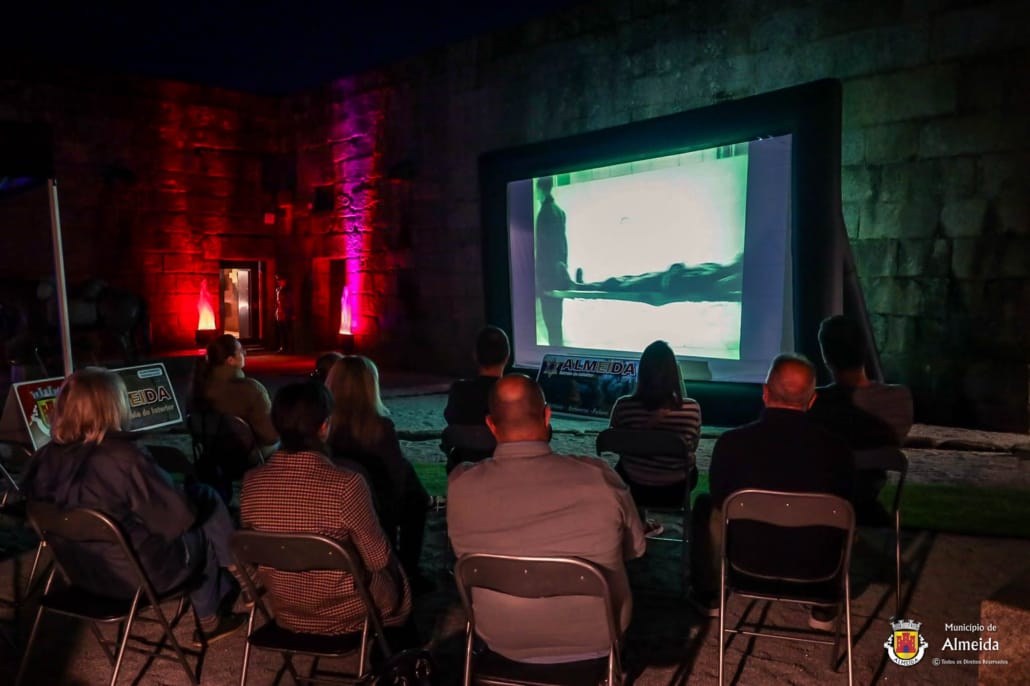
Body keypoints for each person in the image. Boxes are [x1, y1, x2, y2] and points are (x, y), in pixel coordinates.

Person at [21, 368, 245, 646]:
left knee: (198, 503)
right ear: (113, 405)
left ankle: (234, 578)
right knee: (200, 524)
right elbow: (177, 519)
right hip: (136, 580)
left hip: (82, 576)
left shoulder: (42, 459)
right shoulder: (122, 456)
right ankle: (214, 612)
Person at [448, 374, 646, 664]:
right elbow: (636, 550)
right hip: (598, 635)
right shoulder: (598, 478)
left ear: (491, 424)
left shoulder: (460, 486)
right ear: (547, 416)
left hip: (499, 635)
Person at [689, 354, 854, 629]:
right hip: (818, 570)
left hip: (746, 563)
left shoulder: (732, 443)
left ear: (765, 393)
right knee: (846, 516)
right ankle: (824, 606)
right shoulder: (839, 451)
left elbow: (720, 499)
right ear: (811, 401)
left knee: (707, 506)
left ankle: (711, 597)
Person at [240, 382, 411, 635]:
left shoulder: (252, 482)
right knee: (398, 576)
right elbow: (378, 559)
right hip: (348, 609)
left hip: (287, 609)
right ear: (324, 427)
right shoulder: (346, 483)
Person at [325, 355, 431, 589]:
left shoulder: (325, 426)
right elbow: (396, 480)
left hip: (333, 504)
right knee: (417, 500)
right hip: (379, 506)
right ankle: (408, 570)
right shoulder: (380, 428)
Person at [808, 314, 914, 525]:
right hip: (868, 506)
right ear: (865, 349)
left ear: (826, 357)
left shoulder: (814, 405)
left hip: (817, 508)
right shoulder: (899, 400)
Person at [609, 340, 701, 537]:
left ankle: (638, 522)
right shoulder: (691, 409)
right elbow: (692, 446)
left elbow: (615, 442)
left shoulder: (624, 407)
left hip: (634, 487)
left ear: (641, 372)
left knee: (623, 466)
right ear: (674, 373)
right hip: (675, 490)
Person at [443, 325, 510, 426]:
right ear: (507, 357)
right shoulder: (512, 394)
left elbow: (450, 417)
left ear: (475, 356)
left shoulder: (459, 390)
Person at [535, 177, 570, 346]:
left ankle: (555, 356)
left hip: (548, 278)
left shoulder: (544, 213)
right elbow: (563, 245)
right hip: (558, 275)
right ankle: (558, 353)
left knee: (551, 322)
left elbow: (543, 249)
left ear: (541, 189)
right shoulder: (560, 211)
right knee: (557, 322)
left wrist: (540, 281)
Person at [274, 274, 294, 353]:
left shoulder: (287, 291)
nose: (279, 282)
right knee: (281, 331)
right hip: (280, 312)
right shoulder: (278, 289)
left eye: (280, 280)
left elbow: (290, 303)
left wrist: (291, 313)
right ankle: (283, 347)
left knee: (287, 331)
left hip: (285, 313)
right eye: (278, 280)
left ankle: (288, 348)